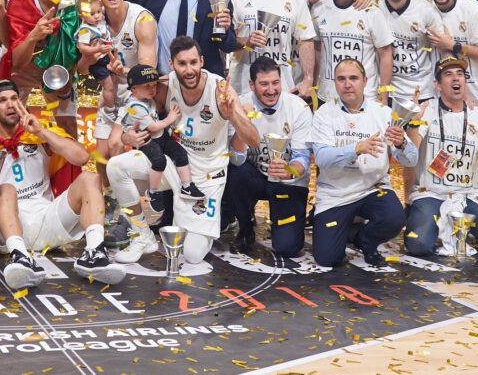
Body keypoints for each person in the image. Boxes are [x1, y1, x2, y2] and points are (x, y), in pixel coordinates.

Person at [0, 80, 126, 283]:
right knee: (6, 189)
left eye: (14, 98)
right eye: (2, 100)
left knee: (91, 178)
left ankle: (94, 253)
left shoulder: (39, 131)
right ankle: (19, 256)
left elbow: (81, 158)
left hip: (47, 219)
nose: (10, 105)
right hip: (5, 228)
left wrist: (41, 133)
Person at [107, 36, 240, 265]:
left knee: (193, 255)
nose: (189, 70)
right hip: (174, 165)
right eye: (182, 63)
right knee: (116, 166)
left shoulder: (220, 89)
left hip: (207, 176)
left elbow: (253, 138)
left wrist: (234, 114)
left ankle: (196, 221)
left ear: (202, 61)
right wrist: (127, 136)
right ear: (172, 65)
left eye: (193, 62)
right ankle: (142, 235)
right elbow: (115, 139)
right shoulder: (162, 86)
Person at [402, 56, 478, 259]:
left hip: (468, 195)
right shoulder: (426, 111)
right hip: (431, 194)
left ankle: (464, 228)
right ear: (437, 84)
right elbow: (410, 153)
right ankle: (436, 225)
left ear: (465, 81)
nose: (455, 78)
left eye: (460, 74)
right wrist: (413, 124)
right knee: (417, 245)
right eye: (448, 74)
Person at [306, 58, 417, 268]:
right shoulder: (324, 114)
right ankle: (348, 229)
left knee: (394, 217)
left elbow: (411, 160)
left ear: (365, 81)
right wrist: (356, 148)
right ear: (334, 83)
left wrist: (402, 143)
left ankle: (364, 240)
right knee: (327, 258)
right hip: (335, 194)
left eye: (353, 78)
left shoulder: (383, 113)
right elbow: (321, 158)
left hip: (372, 189)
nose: (347, 84)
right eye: (341, 79)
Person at [225, 55, 313, 261]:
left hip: (288, 182)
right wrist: (243, 123)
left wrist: (290, 170)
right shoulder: (239, 105)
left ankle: (280, 222)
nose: (271, 90)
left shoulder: (298, 108)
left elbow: (303, 156)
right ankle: (245, 226)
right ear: (251, 85)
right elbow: (235, 160)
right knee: (234, 173)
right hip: (255, 177)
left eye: (275, 83)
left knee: (288, 248)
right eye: (264, 84)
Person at [0, 0, 85, 133]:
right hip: (23, 68)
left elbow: (77, 47)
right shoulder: (20, 0)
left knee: (68, 127)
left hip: (58, 66)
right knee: (10, 124)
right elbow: (17, 61)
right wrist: (33, 36)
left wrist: (69, 74)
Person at [230, 0, 317, 99]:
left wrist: (308, 79)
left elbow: (306, 40)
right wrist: (246, 41)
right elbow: (228, 40)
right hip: (243, 87)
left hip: (281, 88)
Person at [88, 0, 158, 150]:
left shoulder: (142, 19)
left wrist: (123, 70)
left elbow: (148, 74)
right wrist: (89, 56)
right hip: (110, 95)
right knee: (101, 157)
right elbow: (81, 69)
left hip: (136, 97)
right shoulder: (94, 20)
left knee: (117, 148)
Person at [117, 65, 196, 219]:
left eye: (154, 85)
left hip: (160, 137)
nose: (152, 89)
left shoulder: (147, 100)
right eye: (147, 86)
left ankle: (187, 186)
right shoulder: (134, 106)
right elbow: (152, 127)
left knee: (180, 152)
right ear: (134, 88)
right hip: (146, 141)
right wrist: (170, 118)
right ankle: (153, 192)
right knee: (159, 161)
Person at [312, 0, 394, 105]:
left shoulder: (372, 12)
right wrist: (313, 84)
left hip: (365, 98)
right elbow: (316, 49)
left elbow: (386, 54)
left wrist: (384, 94)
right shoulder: (318, 9)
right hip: (328, 97)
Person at [75, 0, 117, 111]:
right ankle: (110, 109)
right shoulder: (85, 30)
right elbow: (83, 48)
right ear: (81, 15)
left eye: (98, 12)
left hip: (107, 57)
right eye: (92, 14)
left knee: (113, 83)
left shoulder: (100, 20)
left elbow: (101, 4)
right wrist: (98, 49)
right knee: (108, 86)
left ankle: (108, 104)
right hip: (97, 62)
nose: (97, 16)